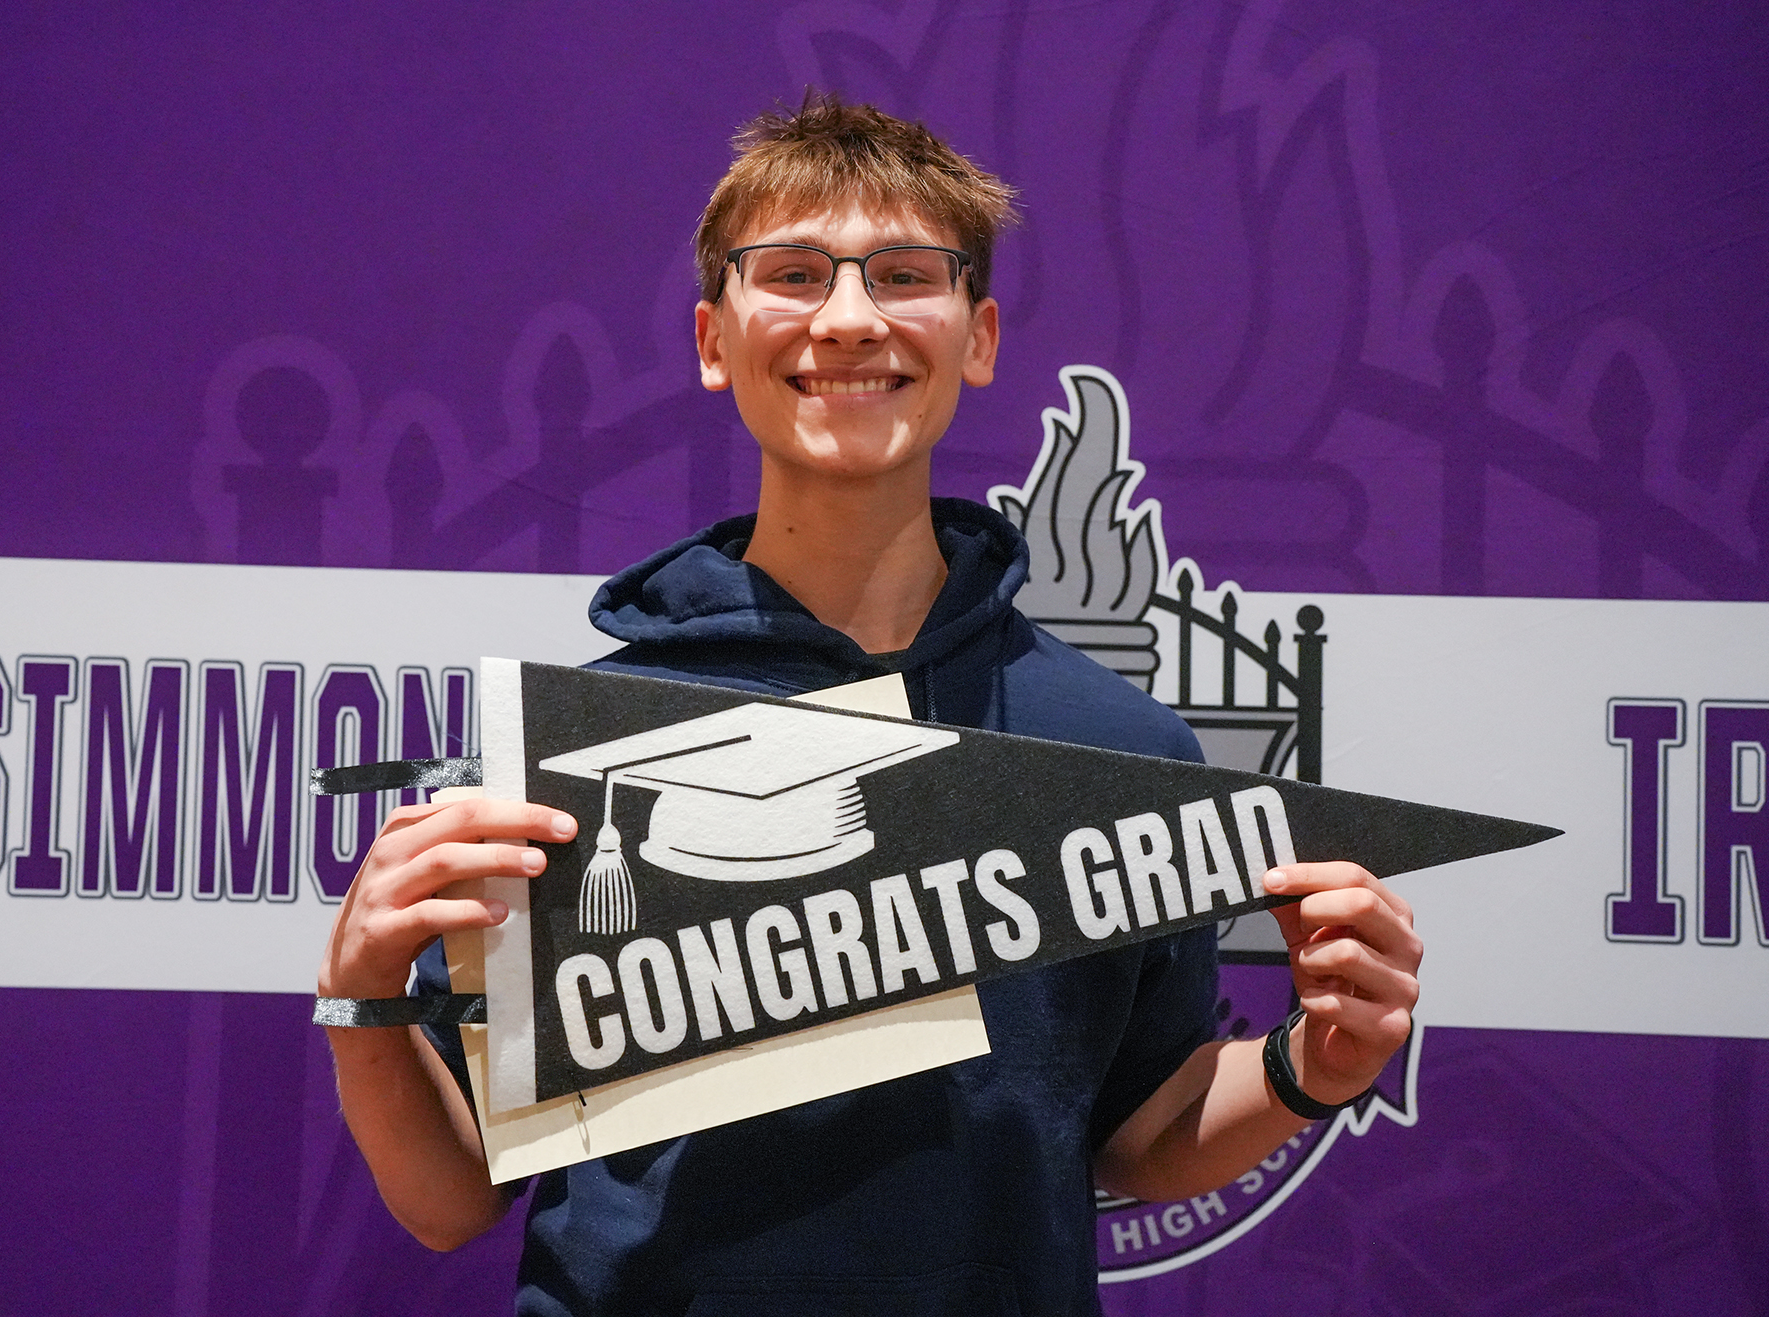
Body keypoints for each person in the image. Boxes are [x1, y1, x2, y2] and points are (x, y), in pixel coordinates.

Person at [318, 95, 1422, 1315]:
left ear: (980, 332)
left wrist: (1309, 1066)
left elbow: (1135, 1135)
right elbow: (451, 1198)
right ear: (710, 337)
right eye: (792, 274)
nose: (848, 319)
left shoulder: (1116, 744)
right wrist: (362, 999)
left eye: (904, 276)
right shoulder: (585, 746)